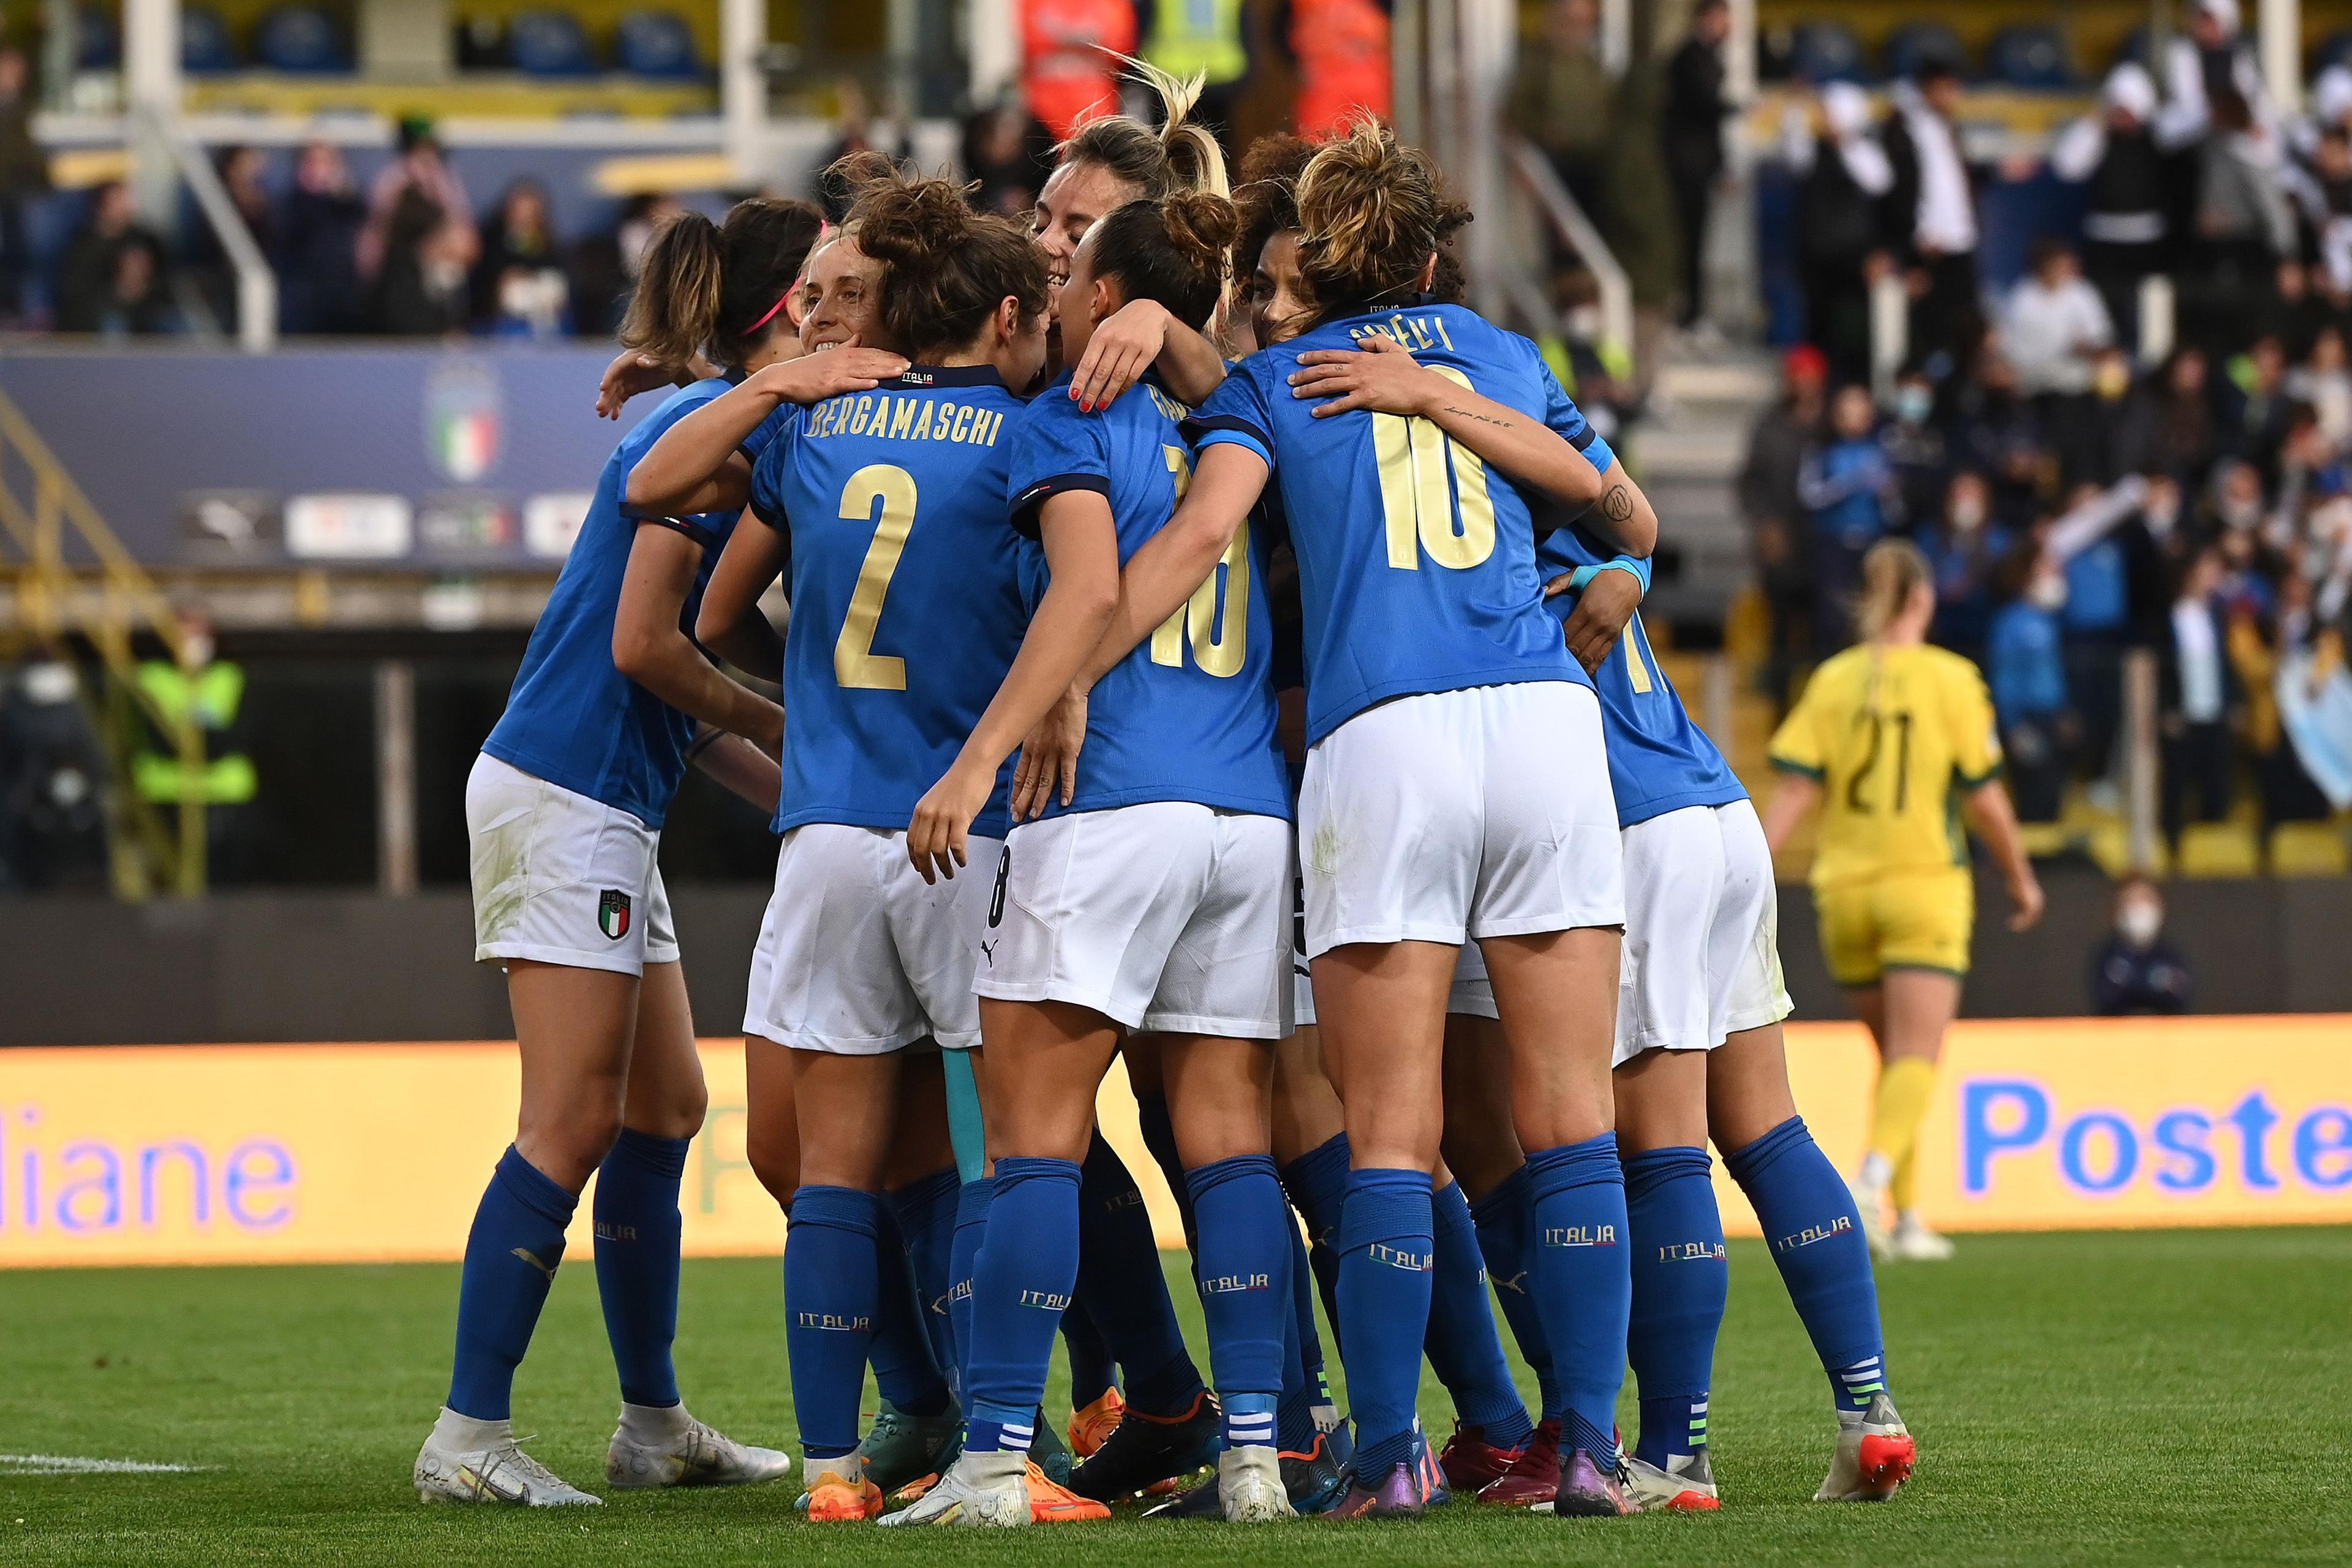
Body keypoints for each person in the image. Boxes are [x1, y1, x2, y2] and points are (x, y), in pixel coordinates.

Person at [1074, 121, 1657, 1518]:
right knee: (1571, 1117)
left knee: (1391, 1129)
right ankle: (1587, 1446)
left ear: (1315, 274)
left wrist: (1063, 676)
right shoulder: (1503, 356)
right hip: (1541, 725)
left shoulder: (1275, 382)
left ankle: (1390, 1453)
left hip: (1383, 736)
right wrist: (1451, 404)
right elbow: (1624, 516)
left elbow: (1199, 537)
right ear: (1427, 264)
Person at [1297, 324, 1917, 1509]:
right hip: (1714, 807)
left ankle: (1669, 1448)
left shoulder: (1465, 560)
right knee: (1765, 1128)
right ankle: (1867, 1405)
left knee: (1650, 1143)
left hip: (1625, 834)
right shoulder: (1571, 525)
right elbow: (1626, 527)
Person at [632, 172, 1085, 1525]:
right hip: (967, 829)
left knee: (831, 1169)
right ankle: (1001, 1448)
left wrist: (783, 395)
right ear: (997, 309)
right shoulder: (1029, 429)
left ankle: (832, 1469)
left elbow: (682, 545)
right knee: (1003, 1156)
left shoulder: (816, 426)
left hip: (828, 828)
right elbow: (1084, 598)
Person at [888, 186, 1306, 1529]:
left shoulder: (1071, 417)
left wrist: (977, 761)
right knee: (1230, 1148)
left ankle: (994, 1464)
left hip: (1109, 799)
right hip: (1245, 815)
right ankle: (1258, 1456)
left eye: (1076, 280)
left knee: (1034, 1144)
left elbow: (1081, 592)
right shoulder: (1234, 419)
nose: (1057, 293)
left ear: (1111, 298)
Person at [413, 197, 840, 1507]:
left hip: (600, 801)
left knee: (665, 1110)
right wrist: (783, 722)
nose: (846, 301)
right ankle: (466, 1436)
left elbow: (681, 712)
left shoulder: (720, 422)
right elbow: (647, 649)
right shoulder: (701, 428)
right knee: (571, 1120)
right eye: (828, 282)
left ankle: (653, 1424)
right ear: (788, 308)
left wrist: (805, 796)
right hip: (566, 799)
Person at [1763, 540, 2045, 1264]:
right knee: (1918, 1054)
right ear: (1923, 598)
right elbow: (1985, 799)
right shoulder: (1953, 680)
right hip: (1923, 885)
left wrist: (1748, 875)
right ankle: (1869, 1183)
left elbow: (1794, 790)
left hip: (1844, 891)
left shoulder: (1834, 679)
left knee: (1895, 1059)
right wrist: (2020, 877)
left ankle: (1908, 1214)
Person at [2049, 62, 2169, 351]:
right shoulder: (2099, 136)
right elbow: (2066, 166)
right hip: (2105, 244)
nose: (2125, 119)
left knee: (2150, 320)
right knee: (2104, 322)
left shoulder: (2159, 135)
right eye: (2119, 111)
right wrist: (2096, 124)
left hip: (2148, 245)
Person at [1784, 82, 1893, 381]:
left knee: (1853, 327)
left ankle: (1854, 383)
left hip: (1853, 257)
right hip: (1817, 254)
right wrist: (1796, 110)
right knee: (1817, 324)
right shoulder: (1814, 150)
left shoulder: (1864, 154)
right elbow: (1795, 155)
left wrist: (1847, 143)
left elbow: (1879, 182)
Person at [1883, 58, 1984, 372]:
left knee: (1966, 326)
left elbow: (1950, 183)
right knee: (1930, 331)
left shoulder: (1946, 127)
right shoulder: (1906, 130)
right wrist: (1912, 248)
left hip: (1959, 240)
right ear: (1930, 89)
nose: (1954, 96)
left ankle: (1962, 386)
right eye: (1947, 89)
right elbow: (1900, 191)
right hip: (1929, 246)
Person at [1661, 0, 1733, 331]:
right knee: (1687, 241)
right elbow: (1703, 106)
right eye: (1722, 19)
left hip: (1700, 167)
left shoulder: (1708, 57)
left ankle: (1694, 312)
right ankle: (1688, 314)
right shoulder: (1689, 58)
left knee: (1698, 241)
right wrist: (1741, 107)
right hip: (1686, 168)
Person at [1021, 0, 1139, 141]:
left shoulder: (1113, 4)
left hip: (1096, 103)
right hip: (1042, 105)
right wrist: (1086, 40)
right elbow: (1030, 42)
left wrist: (1060, 36)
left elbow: (1121, 46)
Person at [472, 177, 570, 336]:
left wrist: (532, 278)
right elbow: (486, 279)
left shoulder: (549, 244)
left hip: (544, 317)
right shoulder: (491, 241)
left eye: (530, 211)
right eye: (518, 210)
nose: (523, 217)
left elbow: (559, 276)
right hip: (499, 321)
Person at [2090, 875, 2193, 1015]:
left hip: (2165, 1027)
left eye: (2145, 899)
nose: (2140, 909)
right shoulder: (2107, 954)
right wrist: (2153, 982)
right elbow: (2106, 999)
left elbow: (2179, 997)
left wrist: (2134, 982)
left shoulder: (2170, 955)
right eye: (2132, 900)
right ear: (2117, 909)